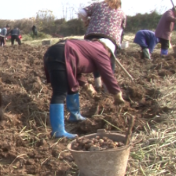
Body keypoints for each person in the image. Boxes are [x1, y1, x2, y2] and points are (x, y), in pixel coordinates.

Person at [43, 39, 125, 139]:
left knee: (72, 84)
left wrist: (86, 84)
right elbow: (108, 75)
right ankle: (58, 132)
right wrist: (117, 93)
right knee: (60, 92)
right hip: (62, 54)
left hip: (56, 52)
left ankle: (75, 116)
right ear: (109, 50)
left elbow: (75, 69)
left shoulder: (89, 46)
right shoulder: (101, 50)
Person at [78, 0, 126, 90]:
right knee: (109, 65)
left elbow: (82, 12)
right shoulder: (122, 12)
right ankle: (108, 89)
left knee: (95, 61)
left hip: (91, 37)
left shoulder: (97, 5)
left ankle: (98, 84)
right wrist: (117, 47)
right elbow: (121, 31)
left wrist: (86, 21)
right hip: (110, 39)